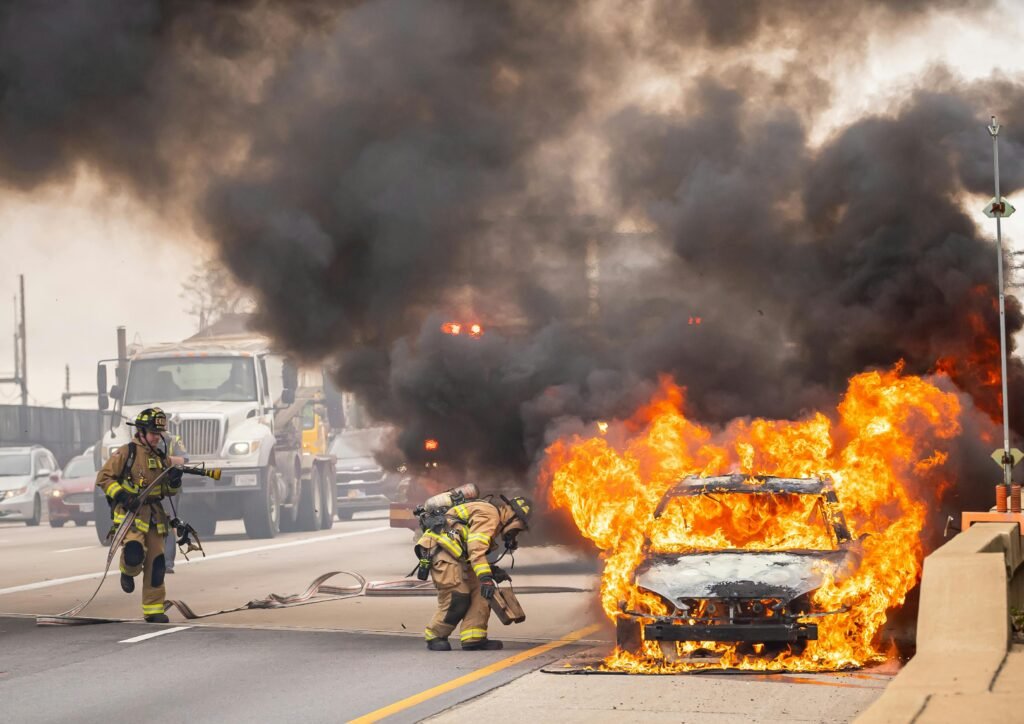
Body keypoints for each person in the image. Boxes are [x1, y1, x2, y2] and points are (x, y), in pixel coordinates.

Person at [95, 407, 185, 623]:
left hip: (155, 517)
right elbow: (104, 477)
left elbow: (167, 492)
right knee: (134, 552)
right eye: (154, 433)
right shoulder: (127, 453)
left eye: (159, 433)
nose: (157, 437)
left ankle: (153, 609)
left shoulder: (161, 457)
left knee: (157, 564)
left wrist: (174, 481)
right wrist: (124, 497)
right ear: (142, 431)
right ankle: (127, 570)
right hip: (131, 515)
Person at [416, 494, 532, 651]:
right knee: (458, 595)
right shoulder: (491, 514)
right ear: (512, 515)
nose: (516, 532)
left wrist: (490, 572)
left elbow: (473, 550)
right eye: (519, 527)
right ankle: (435, 634)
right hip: (442, 551)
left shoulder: (492, 518)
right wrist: (485, 577)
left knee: (483, 591)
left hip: (457, 555)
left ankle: (473, 637)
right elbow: (476, 547)